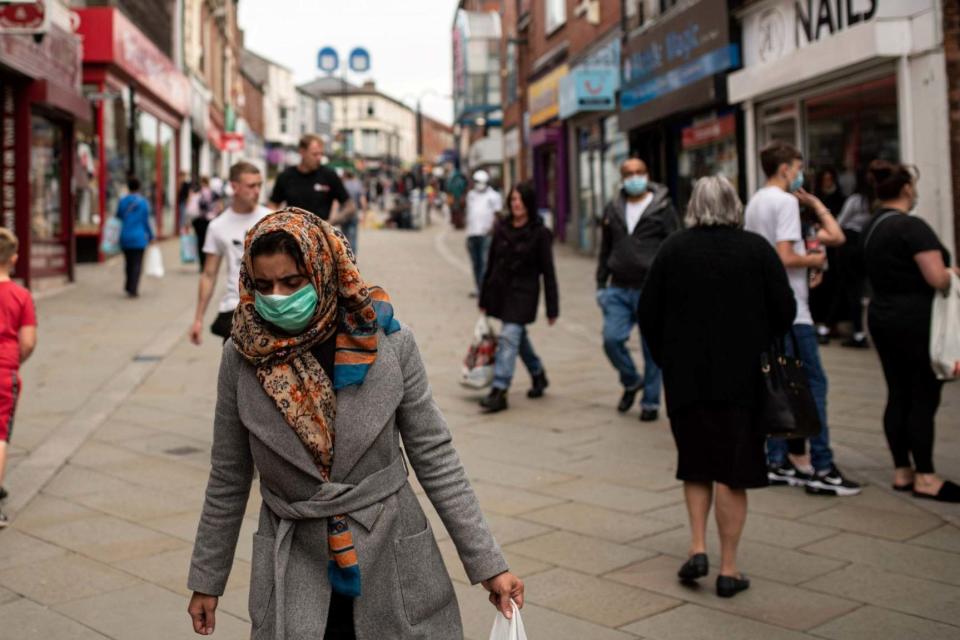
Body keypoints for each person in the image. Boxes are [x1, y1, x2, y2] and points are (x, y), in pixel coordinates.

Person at [186, 209, 524, 638]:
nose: (276, 297)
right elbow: (228, 476)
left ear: (323, 271)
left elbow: (436, 457)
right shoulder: (242, 356)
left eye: (292, 282)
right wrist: (206, 579)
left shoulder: (388, 343)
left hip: (391, 554)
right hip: (294, 560)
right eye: (264, 285)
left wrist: (489, 564)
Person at [640, 176, 795, 598]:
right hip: (743, 382)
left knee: (694, 463)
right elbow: (785, 311)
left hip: (686, 379)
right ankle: (729, 568)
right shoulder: (756, 250)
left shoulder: (674, 249)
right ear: (734, 205)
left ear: (694, 206)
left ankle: (696, 547)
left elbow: (648, 312)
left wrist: (666, 357)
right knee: (733, 471)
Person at [744, 142, 861, 496]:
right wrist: (814, 261)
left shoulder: (756, 202)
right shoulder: (782, 203)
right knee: (813, 385)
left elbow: (834, 236)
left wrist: (814, 204)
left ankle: (777, 459)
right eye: (797, 167)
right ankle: (823, 466)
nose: (800, 173)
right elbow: (784, 256)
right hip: (793, 310)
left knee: (779, 384)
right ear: (784, 169)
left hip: (768, 308)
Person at [862, 160, 960, 503]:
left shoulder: (872, 226)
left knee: (898, 392)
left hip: (882, 316)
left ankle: (901, 470)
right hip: (916, 320)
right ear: (906, 189)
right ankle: (927, 477)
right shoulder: (912, 227)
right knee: (923, 395)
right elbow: (936, 277)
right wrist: (953, 273)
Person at [596, 157, 680, 422]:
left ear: (647, 174)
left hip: (651, 288)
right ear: (622, 179)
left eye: (639, 172)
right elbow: (605, 247)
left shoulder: (663, 207)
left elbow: (674, 246)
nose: (635, 177)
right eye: (629, 174)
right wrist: (601, 283)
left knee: (651, 349)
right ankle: (632, 380)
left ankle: (651, 402)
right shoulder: (613, 208)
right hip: (618, 287)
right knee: (611, 340)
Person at [478, 181, 559, 414]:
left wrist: (552, 308)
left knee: (509, 336)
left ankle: (500, 389)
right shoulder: (502, 228)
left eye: (520, 200)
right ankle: (538, 374)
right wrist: (484, 297)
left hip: (525, 294)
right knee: (516, 338)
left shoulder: (541, 233)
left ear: (529, 203)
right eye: (513, 199)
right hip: (501, 291)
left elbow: (549, 272)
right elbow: (491, 263)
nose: (516, 204)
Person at [190, 162, 271, 346]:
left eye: (259, 185)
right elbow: (209, 274)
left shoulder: (271, 218)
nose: (257, 191)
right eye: (251, 186)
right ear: (234, 187)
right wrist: (198, 319)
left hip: (269, 307)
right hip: (234, 308)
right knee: (234, 371)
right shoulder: (218, 226)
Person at [0, 229, 37, 528]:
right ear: (13, 259)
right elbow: (28, 342)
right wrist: (16, 360)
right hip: (4, 372)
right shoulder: (21, 296)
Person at [268, 134, 354, 225]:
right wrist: (278, 224)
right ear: (302, 152)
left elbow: (350, 207)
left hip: (320, 235)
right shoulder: (286, 176)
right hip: (293, 234)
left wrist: (329, 223)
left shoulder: (329, 175)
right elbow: (272, 205)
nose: (319, 158)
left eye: (321, 154)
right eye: (315, 154)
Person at [836, 174, 874, 348]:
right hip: (866, 244)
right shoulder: (874, 203)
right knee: (860, 289)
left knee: (852, 289)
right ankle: (860, 331)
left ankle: (858, 331)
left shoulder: (856, 200)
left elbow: (840, 222)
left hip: (850, 244)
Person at [464, 170, 501, 297]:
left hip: (486, 234)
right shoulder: (471, 195)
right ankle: (478, 287)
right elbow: (469, 213)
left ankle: (486, 288)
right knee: (476, 263)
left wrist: (492, 229)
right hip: (472, 233)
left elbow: (497, 215)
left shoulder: (494, 196)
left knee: (485, 262)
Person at [117, 176, 154, 298]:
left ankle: (128, 285)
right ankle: (133, 288)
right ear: (139, 187)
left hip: (125, 236)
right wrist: (151, 236)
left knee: (128, 262)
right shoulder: (143, 202)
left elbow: (119, 216)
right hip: (139, 237)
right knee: (137, 264)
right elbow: (146, 221)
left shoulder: (122, 201)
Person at [193, 177, 216, 273]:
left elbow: (192, 206)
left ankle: (202, 265)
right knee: (208, 242)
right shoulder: (212, 193)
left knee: (200, 242)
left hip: (199, 220)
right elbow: (218, 205)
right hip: (210, 220)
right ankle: (208, 264)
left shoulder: (198, 192)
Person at [341, 170, 366, 254]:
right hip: (354, 213)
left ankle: (345, 256)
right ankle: (353, 258)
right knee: (353, 237)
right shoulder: (358, 184)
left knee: (344, 236)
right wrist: (363, 214)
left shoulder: (343, 184)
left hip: (344, 214)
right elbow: (363, 201)